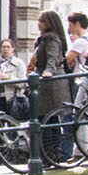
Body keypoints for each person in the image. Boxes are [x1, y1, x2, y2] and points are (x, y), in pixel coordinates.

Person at [30, 9, 70, 161]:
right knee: (48, 119)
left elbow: (53, 58)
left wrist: (48, 71)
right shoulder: (45, 38)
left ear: (49, 23)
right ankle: (49, 155)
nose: (38, 23)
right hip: (43, 81)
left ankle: (49, 156)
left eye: (42, 21)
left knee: (47, 118)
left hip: (51, 84)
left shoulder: (52, 39)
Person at [65, 12, 88, 108]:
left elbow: (66, 60)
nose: (68, 29)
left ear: (77, 24)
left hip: (79, 78)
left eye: (70, 25)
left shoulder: (80, 42)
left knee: (77, 107)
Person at [0, 38, 25, 115]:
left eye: (8, 47)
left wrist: (9, 78)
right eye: (3, 47)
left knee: (12, 122)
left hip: (12, 98)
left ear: (13, 49)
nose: (6, 49)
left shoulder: (19, 63)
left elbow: (23, 83)